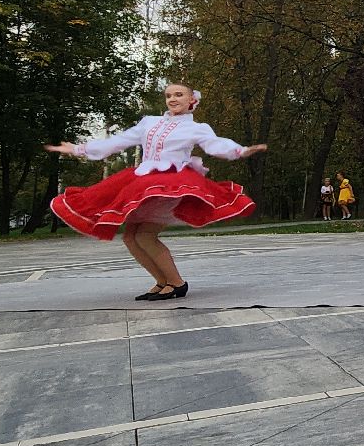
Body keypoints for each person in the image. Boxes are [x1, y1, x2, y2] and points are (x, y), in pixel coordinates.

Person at [46, 83, 266, 301]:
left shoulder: (196, 128)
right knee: (131, 237)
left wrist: (240, 150)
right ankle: (163, 281)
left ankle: (177, 283)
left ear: (192, 100)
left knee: (144, 235)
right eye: (169, 95)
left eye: (179, 95)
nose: (173, 99)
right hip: (143, 181)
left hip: (169, 185)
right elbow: (118, 142)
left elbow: (215, 145)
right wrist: (78, 149)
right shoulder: (149, 123)